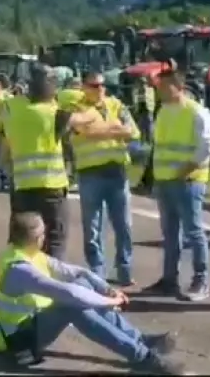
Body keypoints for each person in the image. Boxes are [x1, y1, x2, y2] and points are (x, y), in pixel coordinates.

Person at [0, 212, 187, 375]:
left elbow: (77, 273)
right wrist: (109, 301)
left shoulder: (25, 254)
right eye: (43, 233)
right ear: (36, 238)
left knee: (81, 285)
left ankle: (140, 340)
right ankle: (143, 358)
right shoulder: (18, 269)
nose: (45, 237)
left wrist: (106, 288)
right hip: (14, 342)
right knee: (73, 308)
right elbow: (70, 294)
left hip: (29, 326)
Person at [0, 66, 122, 260]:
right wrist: (95, 103)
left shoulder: (11, 107)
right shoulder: (54, 113)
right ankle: (50, 280)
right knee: (54, 239)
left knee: (21, 237)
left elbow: (5, 143)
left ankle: (15, 275)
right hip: (51, 187)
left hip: (22, 185)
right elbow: (84, 119)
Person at [141, 69, 210, 302]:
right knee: (170, 234)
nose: (159, 91)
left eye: (163, 87)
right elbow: (159, 148)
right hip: (165, 181)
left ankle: (201, 280)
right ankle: (169, 280)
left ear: (178, 87)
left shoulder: (197, 112)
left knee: (194, 231)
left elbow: (205, 147)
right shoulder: (163, 112)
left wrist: (185, 171)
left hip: (187, 182)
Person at [72, 71, 140, 286]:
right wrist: (114, 129)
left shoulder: (116, 105)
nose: (100, 89)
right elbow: (80, 133)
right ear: (84, 87)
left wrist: (99, 130)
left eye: (102, 85)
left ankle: (124, 269)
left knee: (124, 225)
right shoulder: (77, 109)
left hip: (116, 171)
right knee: (92, 227)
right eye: (94, 85)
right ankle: (97, 271)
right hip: (90, 172)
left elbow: (133, 132)